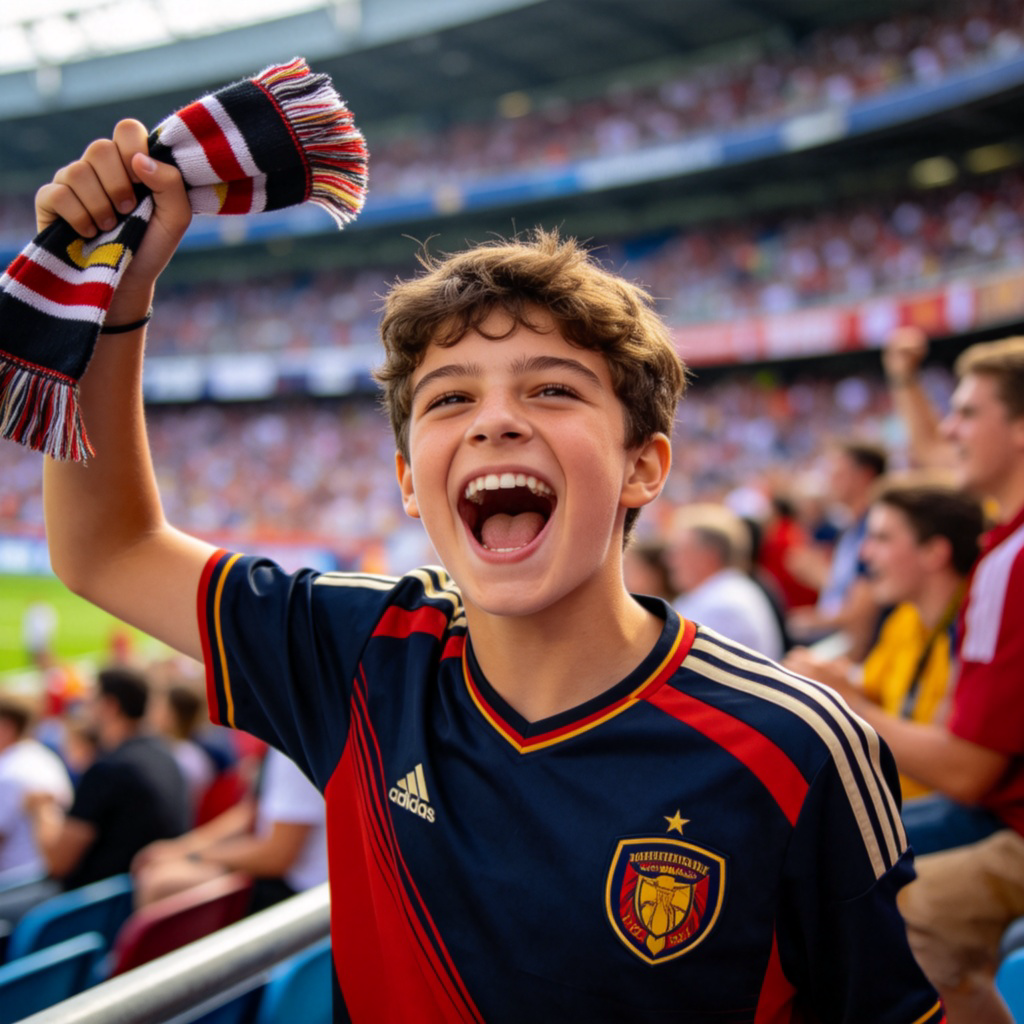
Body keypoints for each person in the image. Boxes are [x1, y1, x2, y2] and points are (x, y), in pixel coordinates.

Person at [29, 121, 943, 1022]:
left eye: (551, 389)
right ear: (408, 484)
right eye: (451, 397)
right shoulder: (359, 657)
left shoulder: (798, 745)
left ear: (644, 466)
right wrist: (116, 291)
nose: (493, 421)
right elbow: (107, 547)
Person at [822, 337, 1024, 1022]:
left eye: (967, 412)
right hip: (991, 811)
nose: (948, 430)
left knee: (882, 897)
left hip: (1003, 819)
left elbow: (967, 771)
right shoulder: (996, 552)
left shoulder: (1006, 561)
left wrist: (842, 702)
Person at [784, 473, 985, 799]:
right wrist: (822, 680)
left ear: (934, 552)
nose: (864, 555)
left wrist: (844, 695)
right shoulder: (906, 618)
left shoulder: (975, 631)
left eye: (881, 539)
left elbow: (952, 770)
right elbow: (872, 692)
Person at [25, 666, 189, 890]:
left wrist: (41, 809)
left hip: (93, 905)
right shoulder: (164, 753)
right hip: (133, 893)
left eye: (91, 700)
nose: (85, 708)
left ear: (110, 706)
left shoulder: (109, 769)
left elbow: (58, 862)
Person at [132, 745, 327, 913]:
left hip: (296, 896)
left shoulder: (291, 755)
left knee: (161, 883)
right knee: (155, 867)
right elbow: (248, 815)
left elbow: (277, 856)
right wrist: (180, 848)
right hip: (279, 881)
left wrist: (193, 856)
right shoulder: (280, 746)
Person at [785, 440, 887, 660]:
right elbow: (846, 592)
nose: (829, 480)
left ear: (865, 476)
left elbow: (861, 616)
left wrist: (812, 619)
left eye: (837, 472)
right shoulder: (852, 528)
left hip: (860, 649)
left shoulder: (874, 531)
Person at [668, 502, 785, 659]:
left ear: (707, 556)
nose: (670, 560)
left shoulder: (721, 605)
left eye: (679, 551)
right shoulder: (729, 588)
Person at [0, 695, 73, 875]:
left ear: (6, 727)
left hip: (18, 884)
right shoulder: (44, 756)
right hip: (42, 877)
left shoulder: (9, 773)